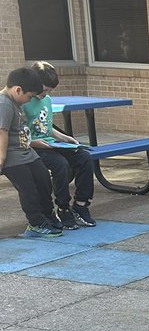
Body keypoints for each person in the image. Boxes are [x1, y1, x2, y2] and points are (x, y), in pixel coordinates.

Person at [22, 61, 96, 228]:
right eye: (44, 89)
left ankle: (81, 205)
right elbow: (20, 133)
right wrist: (35, 143)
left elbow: (46, 127)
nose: (45, 93)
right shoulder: (25, 100)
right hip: (33, 147)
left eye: (49, 90)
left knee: (84, 157)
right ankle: (63, 208)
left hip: (50, 144)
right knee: (61, 164)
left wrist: (65, 138)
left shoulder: (47, 100)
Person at [0, 66, 62, 239]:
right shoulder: (3, 104)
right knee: (29, 189)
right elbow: (2, 132)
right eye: (29, 97)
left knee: (43, 180)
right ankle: (36, 224)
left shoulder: (15, 101)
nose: (29, 101)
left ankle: (48, 215)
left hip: (26, 152)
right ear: (18, 90)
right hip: (13, 156)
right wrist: (1, 159)